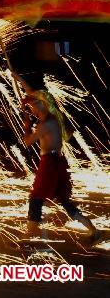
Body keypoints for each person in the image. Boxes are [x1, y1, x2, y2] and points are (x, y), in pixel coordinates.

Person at [16, 77, 103, 245]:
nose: (31, 108)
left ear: (41, 105)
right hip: (57, 162)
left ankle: (27, 239)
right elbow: (33, 94)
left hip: (49, 164)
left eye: (33, 105)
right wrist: (18, 78)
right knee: (64, 201)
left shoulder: (45, 125)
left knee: (36, 198)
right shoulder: (51, 119)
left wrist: (26, 126)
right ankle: (94, 231)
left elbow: (27, 142)